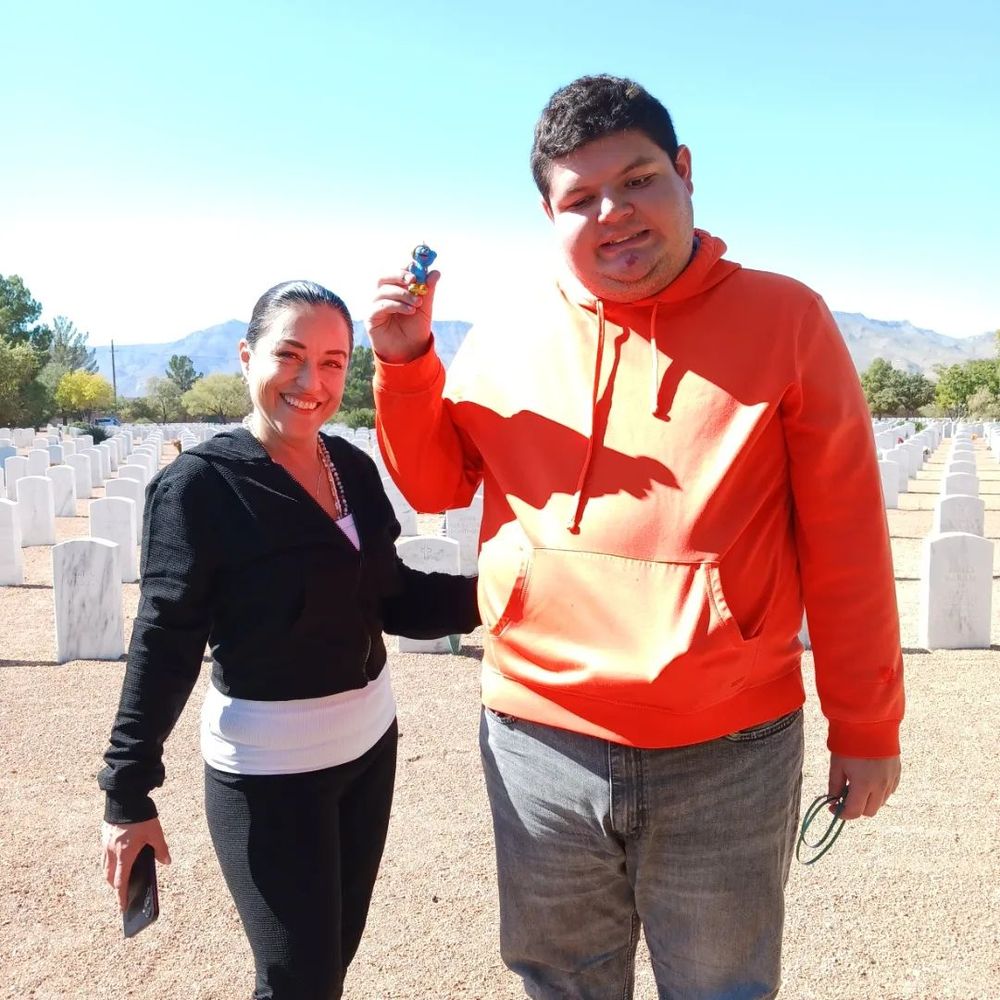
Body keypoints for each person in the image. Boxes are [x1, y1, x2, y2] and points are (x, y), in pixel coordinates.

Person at [367, 75, 904, 999]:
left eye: (640, 179)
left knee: (721, 987)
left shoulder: (788, 320)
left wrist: (867, 723)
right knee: (561, 983)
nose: (614, 213)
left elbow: (846, 538)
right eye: (579, 198)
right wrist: (407, 366)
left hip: (728, 744)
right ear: (549, 213)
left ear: (686, 173)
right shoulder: (506, 333)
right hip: (538, 737)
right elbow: (433, 484)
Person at [99, 280, 479, 1000]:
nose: (313, 382)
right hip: (269, 771)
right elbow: (165, 641)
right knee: (294, 981)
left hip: (369, 747)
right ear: (247, 357)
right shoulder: (199, 488)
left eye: (335, 362)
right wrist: (128, 793)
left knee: (331, 962)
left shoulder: (351, 468)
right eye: (292, 356)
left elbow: (390, 597)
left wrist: (499, 593)